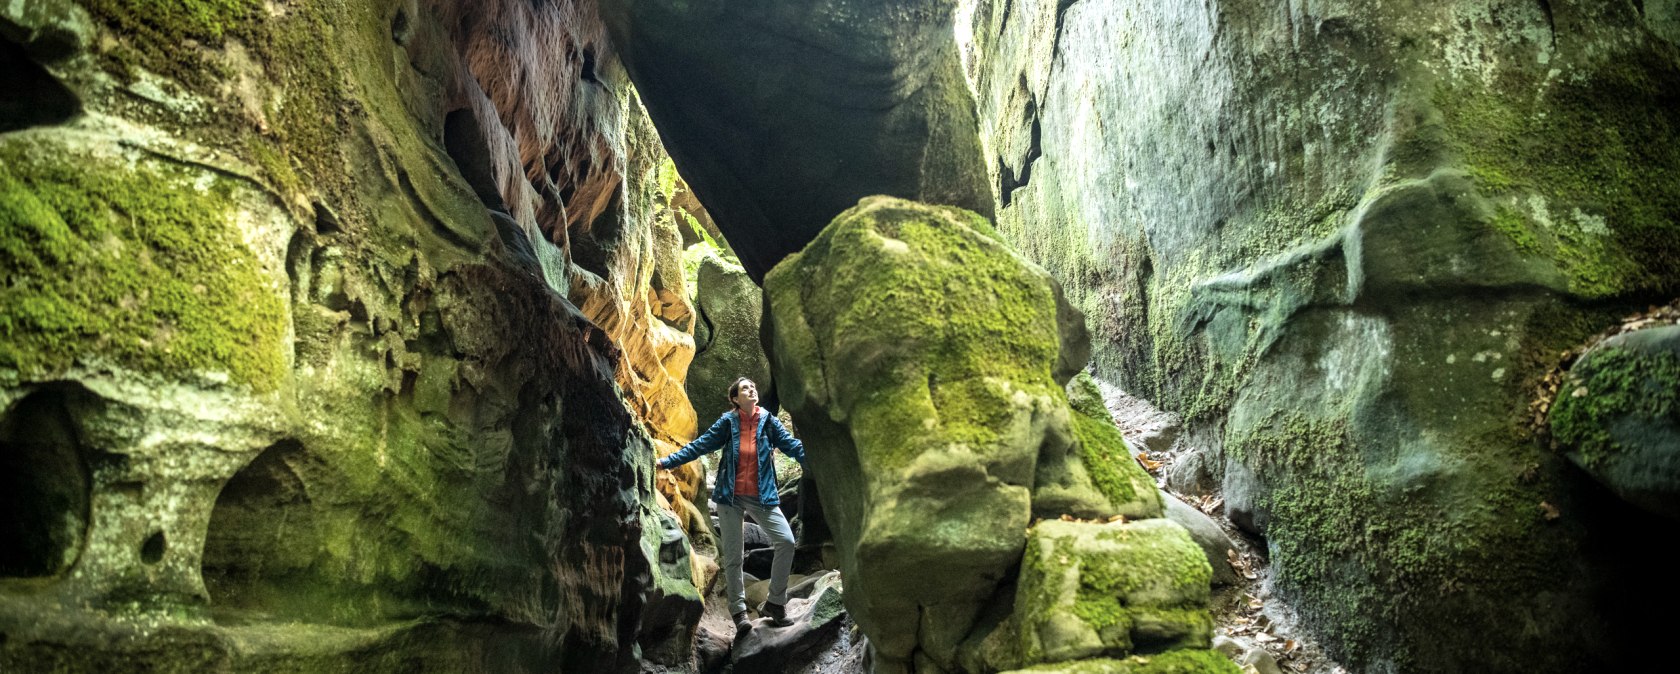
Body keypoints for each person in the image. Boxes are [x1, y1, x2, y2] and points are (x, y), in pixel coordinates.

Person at [657, 377, 806, 633]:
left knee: (786, 541)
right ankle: (739, 612)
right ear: (736, 399)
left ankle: (775, 603)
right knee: (735, 556)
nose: (752, 389)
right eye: (745, 388)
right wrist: (667, 462)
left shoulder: (768, 421)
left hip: (762, 495)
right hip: (730, 497)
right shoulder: (728, 422)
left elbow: (792, 446)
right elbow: (700, 446)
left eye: (753, 386)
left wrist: (817, 457)